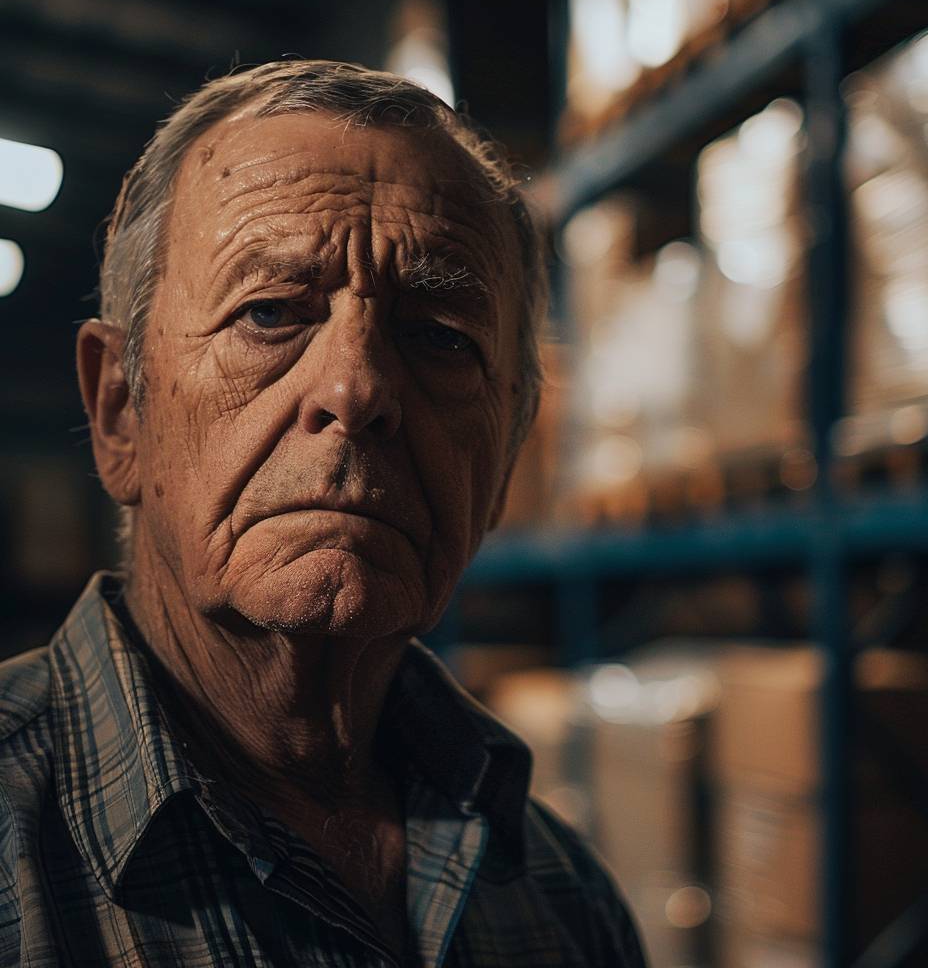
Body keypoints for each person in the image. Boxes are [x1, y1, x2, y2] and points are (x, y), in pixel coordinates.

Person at [0, 61, 646, 967]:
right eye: (268, 314)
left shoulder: (562, 898)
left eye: (438, 338)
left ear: (503, 459)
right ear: (120, 410)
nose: (358, 387)